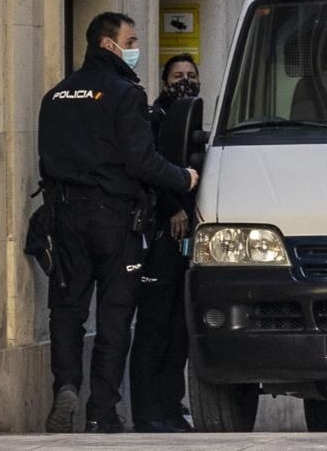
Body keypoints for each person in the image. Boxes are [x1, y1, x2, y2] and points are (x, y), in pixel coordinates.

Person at [37, 12, 199, 434]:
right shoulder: (125, 93)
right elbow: (142, 161)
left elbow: (47, 160)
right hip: (114, 220)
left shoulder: (55, 95)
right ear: (109, 45)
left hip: (63, 216)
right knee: (114, 318)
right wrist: (184, 177)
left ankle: (67, 385)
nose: (135, 47)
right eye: (131, 39)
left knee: (67, 312)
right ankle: (100, 412)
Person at [128, 54, 201, 433]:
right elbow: (151, 170)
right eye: (177, 75)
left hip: (191, 240)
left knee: (179, 331)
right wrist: (173, 208)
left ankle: (172, 408)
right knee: (154, 328)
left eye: (191, 75)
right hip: (160, 237)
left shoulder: (198, 120)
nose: (184, 81)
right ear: (164, 81)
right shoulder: (154, 119)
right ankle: (147, 412)